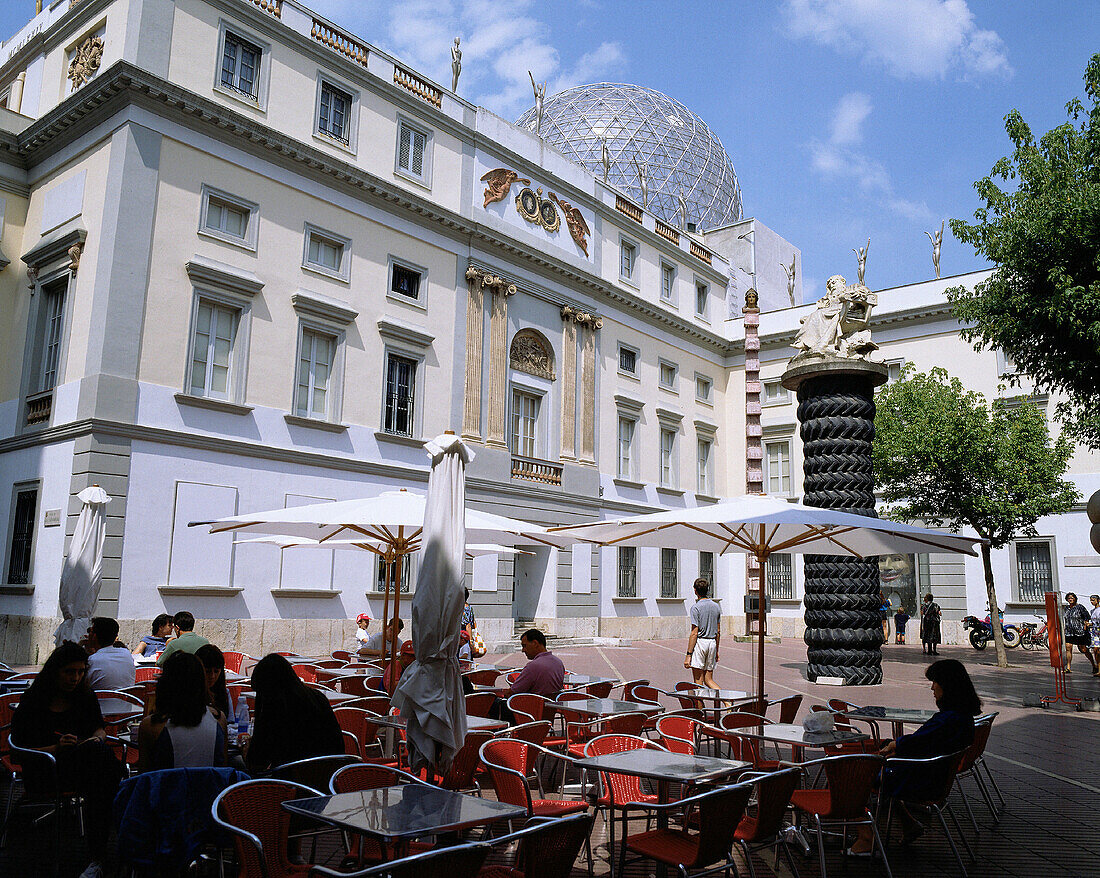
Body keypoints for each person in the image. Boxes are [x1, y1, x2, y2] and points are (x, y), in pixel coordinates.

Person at [11, 642, 124, 878]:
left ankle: (98, 858)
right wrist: (56, 747)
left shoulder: (84, 696)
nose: (76, 678)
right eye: (70, 672)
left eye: (81, 672)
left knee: (99, 774)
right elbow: (18, 752)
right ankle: (104, 852)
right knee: (104, 780)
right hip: (44, 769)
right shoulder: (34, 701)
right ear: (55, 671)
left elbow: (100, 729)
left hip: (83, 767)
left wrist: (95, 738)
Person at [849, 658, 981, 854]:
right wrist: (897, 747)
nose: (932, 688)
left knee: (853, 778)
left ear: (947, 686)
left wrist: (894, 746)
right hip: (934, 776)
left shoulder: (947, 719)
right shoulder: (962, 718)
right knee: (880, 771)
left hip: (922, 780)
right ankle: (909, 824)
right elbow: (922, 743)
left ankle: (866, 839)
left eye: (935, 682)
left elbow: (918, 742)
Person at [243, 653, 343, 773]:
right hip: (330, 776)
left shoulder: (274, 707)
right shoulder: (317, 698)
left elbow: (258, 763)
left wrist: (246, 751)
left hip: (290, 782)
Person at [137, 652, 226, 772]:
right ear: (201, 683)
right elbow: (222, 768)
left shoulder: (151, 726)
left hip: (166, 789)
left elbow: (144, 775)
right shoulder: (219, 720)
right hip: (212, 790)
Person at [489, 629, 565, 723]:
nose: (523, 650)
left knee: (489, 704)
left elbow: (512, 692)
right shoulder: (558, 663)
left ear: (535, 643)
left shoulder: (533, 666)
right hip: (548, 713)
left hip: (526, 714)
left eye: (524, 646)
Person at [685, 577, 721, 689]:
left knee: (698, 681)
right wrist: (716, 651)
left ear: (695, 590)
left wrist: (688, 655)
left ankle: (700, 707)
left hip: (701, 643)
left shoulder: (696, 608)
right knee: (708, 679)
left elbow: (694, 633)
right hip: (712, 643)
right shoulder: (716, 607)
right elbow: (718, 632)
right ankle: (726, 701)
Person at [84, 616, 136, 690]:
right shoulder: (126, 654)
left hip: (99, 700)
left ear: (94, 636)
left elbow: (83, 685)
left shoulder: (92, 660)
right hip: (126, 699)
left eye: (90, 631)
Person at [1063, 592, 1098, 675]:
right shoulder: (1066, 608)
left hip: (1080, 632)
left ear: (1075, 599)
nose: (1070, 599)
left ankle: (1094, 665)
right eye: (1069, 598)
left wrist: (1085, 626)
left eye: (1072, 598)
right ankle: (1068, 667)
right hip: (1069, 631)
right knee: (1068, 647)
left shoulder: (1080, 607)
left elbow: (1087, 617)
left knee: (1084, 649)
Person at [196, 643, 232, 719]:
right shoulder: (190, 694)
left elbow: (230, 720)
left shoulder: (225, 693)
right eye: (208, 671)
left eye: (216, 671)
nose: (212, 676)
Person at [459, 589, 476, 661]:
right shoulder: (469, 608)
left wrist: (470, 641)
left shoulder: (461, 608)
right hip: (465, 638)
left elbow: (468, 626)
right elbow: (472, 625)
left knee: (463, 658)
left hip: (462, 638)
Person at [1089, 594, 1100, 677]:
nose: (1092, 602)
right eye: (1091, 600)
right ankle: (1099, 669)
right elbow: (1093, 622)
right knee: (1095, 650)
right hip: (1095, 632)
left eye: (1093, 600)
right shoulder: (1092, 611)